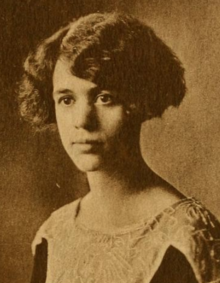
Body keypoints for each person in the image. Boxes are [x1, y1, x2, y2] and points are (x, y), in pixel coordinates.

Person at [18, 12, 220, 283]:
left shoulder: (186, 236)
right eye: (66, 100)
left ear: (140, 102)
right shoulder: (54, 234)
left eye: (104, 97)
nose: (82, 121)